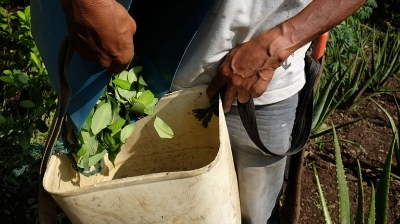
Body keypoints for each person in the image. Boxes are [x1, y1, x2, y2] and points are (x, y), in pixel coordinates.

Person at [60, 0, 365, 223]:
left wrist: (278, 46)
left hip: (260, 92)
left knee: (254, 215)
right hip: (147, 78)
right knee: (160, 211)